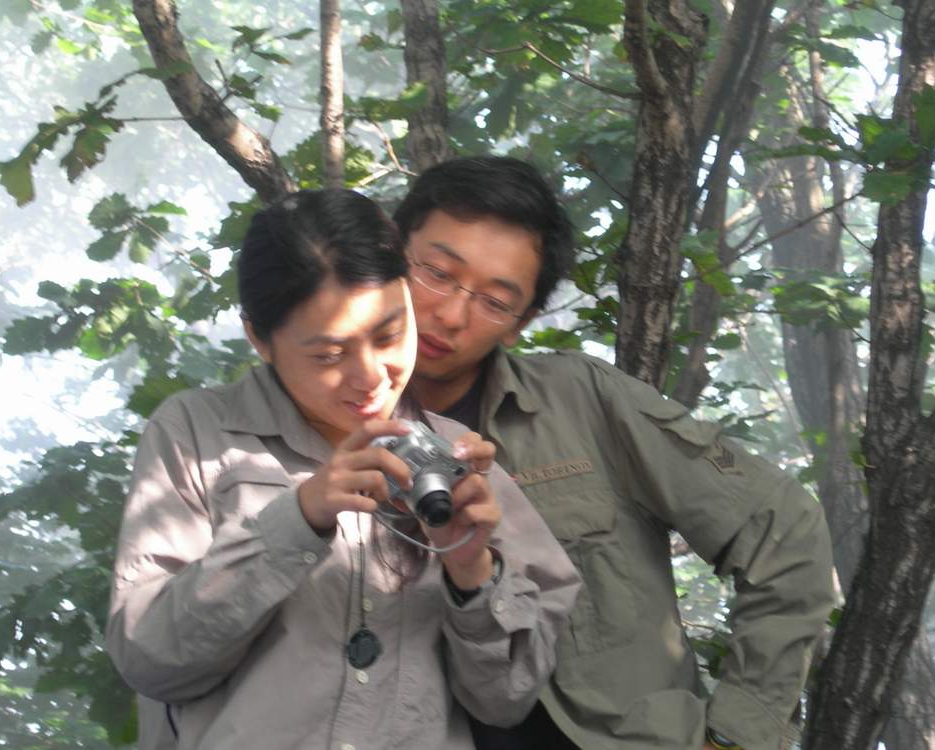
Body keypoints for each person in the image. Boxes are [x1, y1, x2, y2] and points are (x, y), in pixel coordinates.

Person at [105, 188, 580, 750]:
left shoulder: (458, 459)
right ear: (259, 338)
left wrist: (470, 567)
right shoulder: (197, 432)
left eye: (389, 335)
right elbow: (149, 660)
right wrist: (298, 518)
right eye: (329, 355)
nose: (371, 376)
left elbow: (505, 699)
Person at [393, 156, 836, 750]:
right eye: (437, 273)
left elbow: (782, 527)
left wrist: (738, 735)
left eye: (494, 302)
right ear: (392, 252)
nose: (450, 314)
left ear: (521, 322)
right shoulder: (308, 423)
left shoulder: (582, 403)